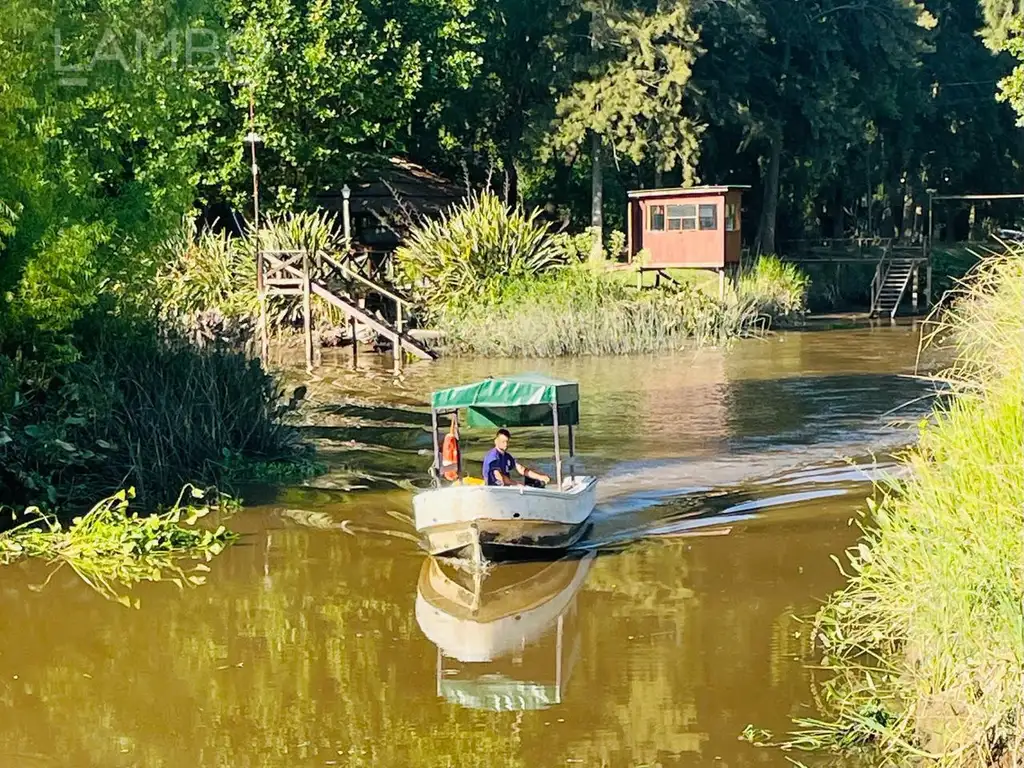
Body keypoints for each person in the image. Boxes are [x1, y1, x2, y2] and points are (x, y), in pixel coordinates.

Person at [482, 428, 551, 488]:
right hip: (494, 491)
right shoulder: (493, 456)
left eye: (507, 441)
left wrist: (540, 477)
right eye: (503, 441)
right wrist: (516, 484)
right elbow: (498, 476)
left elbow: (520, 469)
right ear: (496, 441)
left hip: (505, 491)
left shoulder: (507, 456)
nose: (505, 444)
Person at [440, 415, 461, 483]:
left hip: (450, 461)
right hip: (451, 462)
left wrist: (453, 420)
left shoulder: (449, 442)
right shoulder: (449, 441)